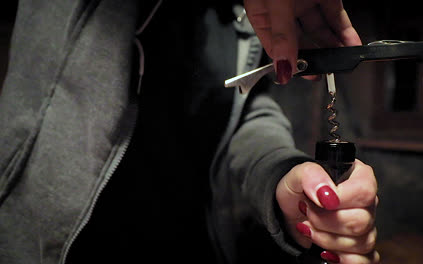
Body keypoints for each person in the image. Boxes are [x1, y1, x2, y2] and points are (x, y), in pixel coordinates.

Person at [0, 1, 378, 264]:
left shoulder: (243, 18)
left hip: (186, 242)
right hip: (42, 243)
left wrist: (283, 176)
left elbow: (245, 111)